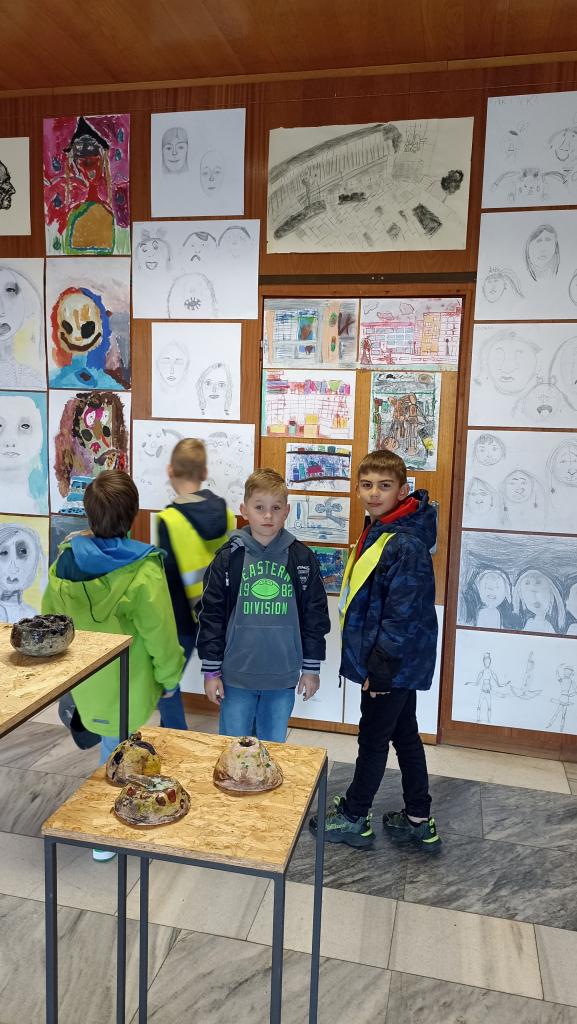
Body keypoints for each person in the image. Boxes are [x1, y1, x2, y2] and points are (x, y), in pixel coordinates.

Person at [42, 470, 184, 859]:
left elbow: (50, 619)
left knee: (111, 743)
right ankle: (109, 830)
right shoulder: (143, 568)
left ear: (88, 514)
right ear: (134, 514)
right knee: (119, 752)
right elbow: (160, 634)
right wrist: (170, 678)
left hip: (87, 682)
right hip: (130, 684)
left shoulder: (65, 560)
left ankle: (111, 816)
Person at [311, 449, 441, 852]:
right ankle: (418, 818)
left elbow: (402, 616)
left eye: (384, 486)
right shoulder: (382, 529)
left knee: (372, 738)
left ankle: (355, 816)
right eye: (366, 485)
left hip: (391, 664)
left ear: (402, 490)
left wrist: (381, 669)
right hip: (395, 662)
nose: (373, 493)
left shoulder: (405, 544)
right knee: (405, 734)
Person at [197, 468, 330, 742]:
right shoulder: (228, 559)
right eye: (259, 508)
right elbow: (211, 616)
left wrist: (311, 670)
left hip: (282, 678)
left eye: (276, 508)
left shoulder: (302, 558)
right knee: (234, 749)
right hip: (236, 677)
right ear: (244, 510)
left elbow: (314, 616)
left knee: (272, 749)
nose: (268, 515)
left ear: (287, 511)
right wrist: (211, 672)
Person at [155, 439, 235, 729]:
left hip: (181, 618)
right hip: (222, 612)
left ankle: (175, 734)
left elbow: (166, 575)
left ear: (169, 471)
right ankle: (236, 734)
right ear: (204, 473)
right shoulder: (226, 513)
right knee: (229, 678)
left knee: (165, 680)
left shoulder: (168, 519)